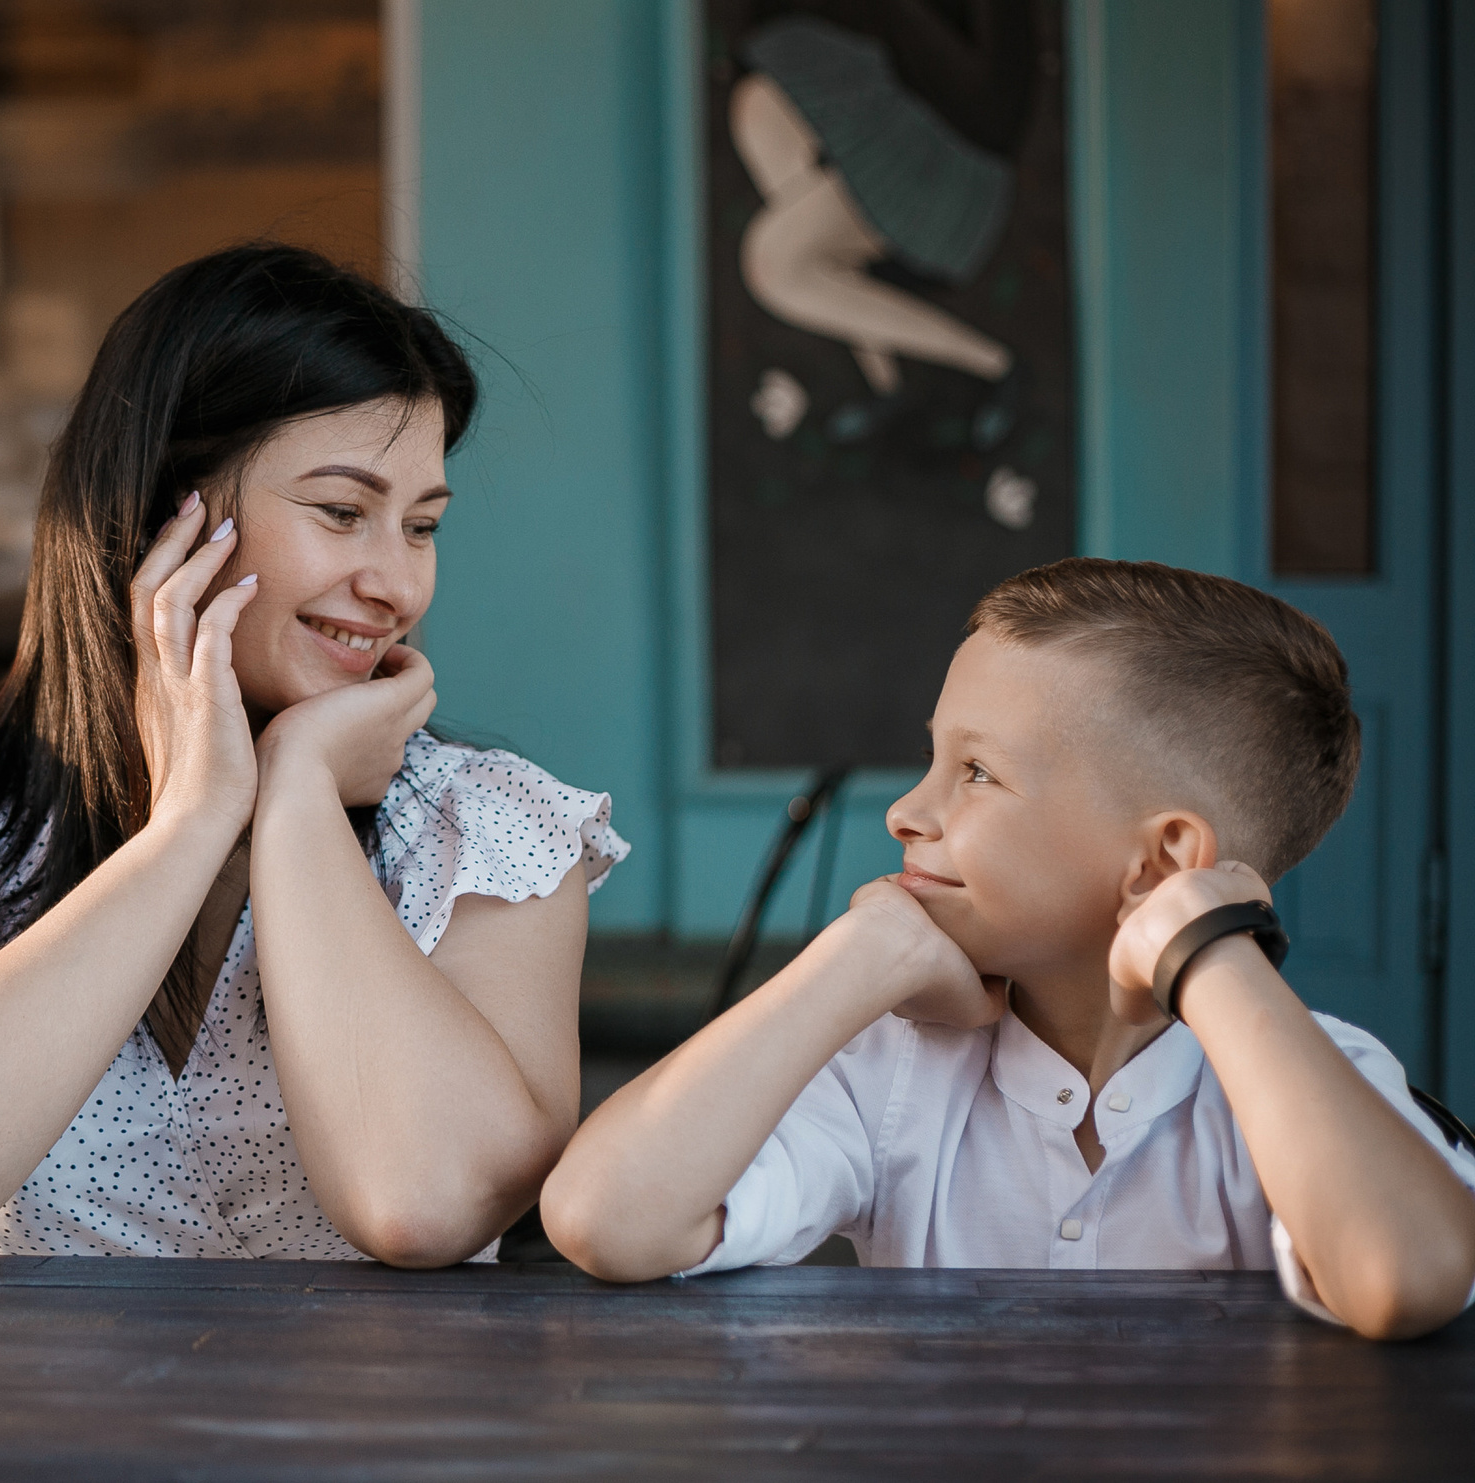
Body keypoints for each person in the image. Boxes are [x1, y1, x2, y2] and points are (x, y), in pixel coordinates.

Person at [0, 243, 625, 1265]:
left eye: (421, 525)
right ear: (170, 512)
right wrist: (191, 824)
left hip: (366, 1427)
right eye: (343, 513)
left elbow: (424, 1203)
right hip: (4, 1421)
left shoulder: (488, 834)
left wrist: (295, 796)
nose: (397, 584)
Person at [542, 558, 1475, 1339]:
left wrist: (1212, 953)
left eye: (977, 772)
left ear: (1161, 861)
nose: (907, 811)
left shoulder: (1319, 1081)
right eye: (933, 759)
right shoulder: (895, 1075)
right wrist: (859, 951)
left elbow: (1408, 1276)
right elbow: (602, 1217)